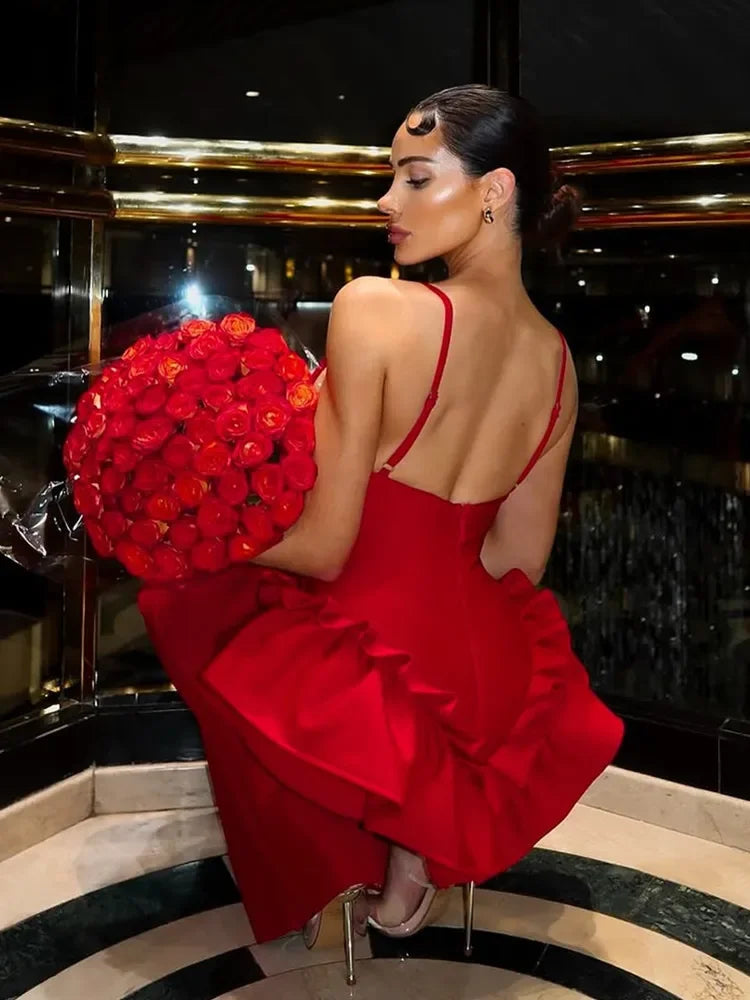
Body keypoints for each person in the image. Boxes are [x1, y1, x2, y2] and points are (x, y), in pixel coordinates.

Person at [139, 83, 624, 967]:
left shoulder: (376, 307)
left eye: (413, 177)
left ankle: (335, 854)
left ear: (494, 191)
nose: (385, 203)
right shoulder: (558, 362)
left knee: (189, 592)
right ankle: (412, 838)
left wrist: (191, 528)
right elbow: (518, 563)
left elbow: (325, 545)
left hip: (369, 652)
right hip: (481, 670)